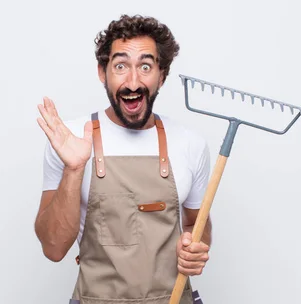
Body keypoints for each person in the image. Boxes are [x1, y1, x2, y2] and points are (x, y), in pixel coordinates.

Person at [35, 14, 212, 304]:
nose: (133, 81)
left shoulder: (190, 144)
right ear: (102, 73)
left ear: (162, 75)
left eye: (145, 66)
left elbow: (196, 224)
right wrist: (74, 168)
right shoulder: (68, 140)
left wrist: (197, 245)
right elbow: (53, 249)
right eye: (120, 66)